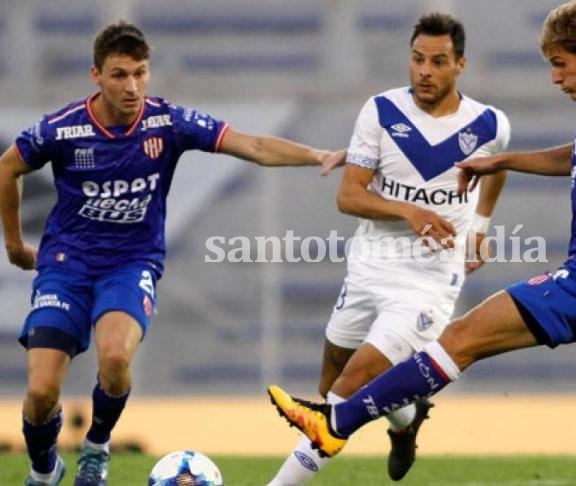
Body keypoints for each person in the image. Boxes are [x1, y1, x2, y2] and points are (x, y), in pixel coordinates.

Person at [267, 1, 576, 484]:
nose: (556, 79)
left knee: (459, 339)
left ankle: (336, 422)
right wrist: (502, 162)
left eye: (559, 65)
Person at [0, 21, 344, 486]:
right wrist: (16, 244)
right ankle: (44, 471)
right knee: (41, 391)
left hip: (130, 264)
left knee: (116, 357)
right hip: (66, 267)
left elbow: (254, 145)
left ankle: (97, 447)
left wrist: (316, 154)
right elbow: (8, 167)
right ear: (96, 75)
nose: (133, 86)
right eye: (120, 75)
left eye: (141, 73)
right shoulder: (64, 129)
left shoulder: (168, 121)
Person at [266, 12, 510, 486]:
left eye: (438, 62)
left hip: (428, 283)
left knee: (342, 393)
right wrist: (410, 212)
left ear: (460, 64)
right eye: (418, 59)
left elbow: (496, 166)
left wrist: (479, 226)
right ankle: (406, 420)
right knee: (330, 381)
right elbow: (349, 195)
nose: (425, 71)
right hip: (368, 269)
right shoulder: (380, 111)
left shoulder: (489, 124)